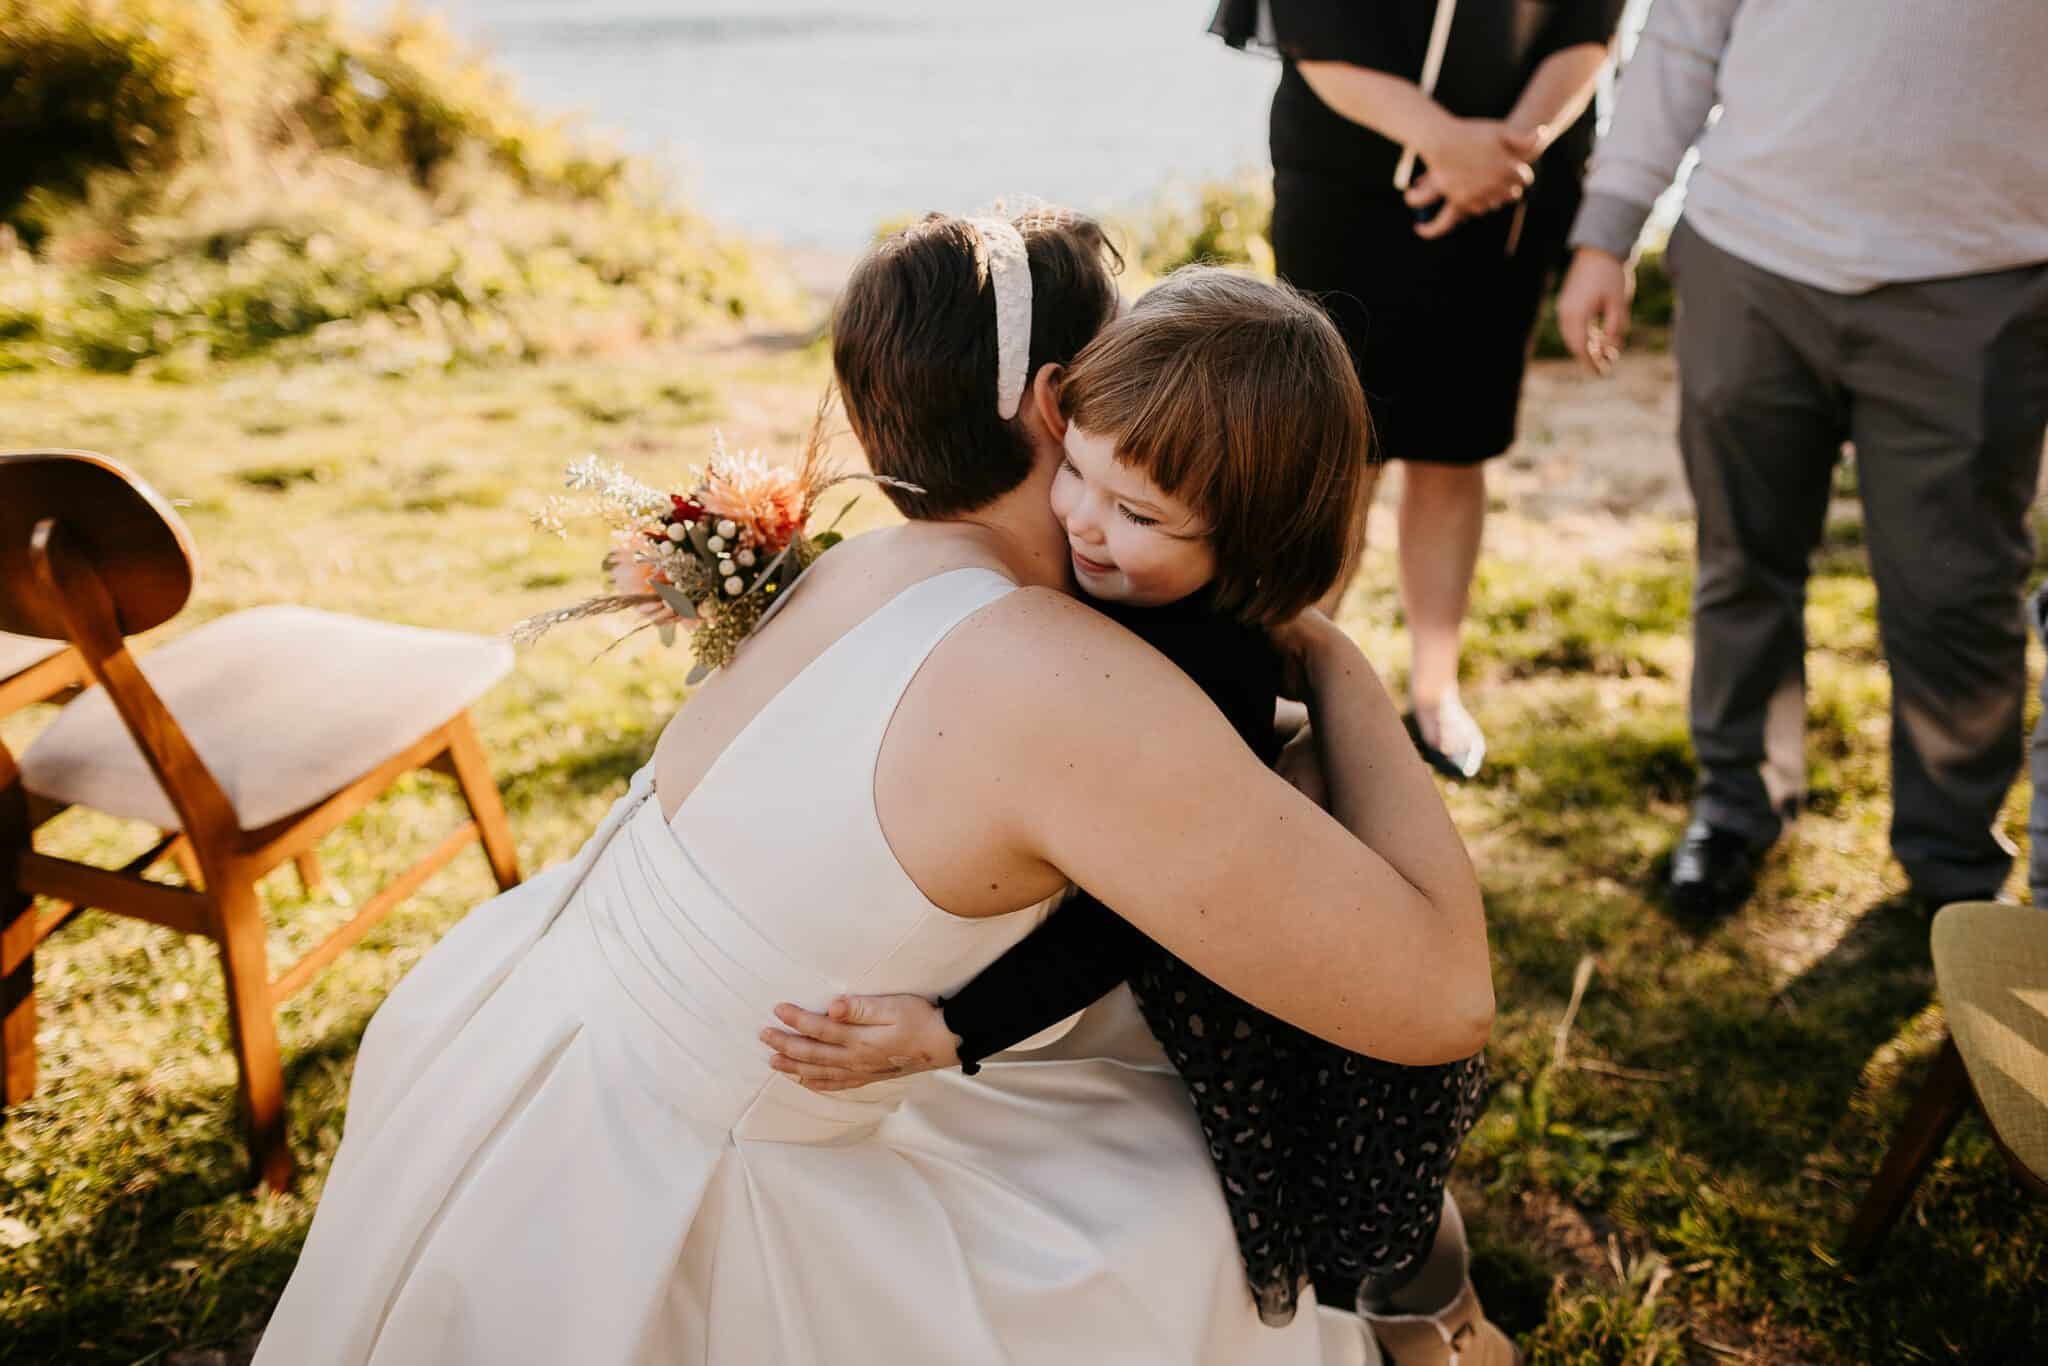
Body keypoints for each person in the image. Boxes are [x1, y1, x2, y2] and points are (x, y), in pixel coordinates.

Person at [251, 210, 1490, 1365]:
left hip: (524, 1060)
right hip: (684, 1193)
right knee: (1170, 1215)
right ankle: (1420, 1305)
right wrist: (1329, 652)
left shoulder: (867, 567)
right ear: (1064, 406)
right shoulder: (1055, 675)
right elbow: (1439, 1001)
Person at [765, 267, 1513, 1365]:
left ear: (1247, 542)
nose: (1081, 521)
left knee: (1334, 1211)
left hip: (1274, 1010)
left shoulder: (1202, 665)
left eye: (1138, 514)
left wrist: (955, 1030)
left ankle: (1430, 1324)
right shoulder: (1125, 584)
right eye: (1074, 469)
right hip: (1222, 940)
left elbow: (1120, 919)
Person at [1555, 0, 2048, 915]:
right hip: (1753, 258)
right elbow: (1682, 39)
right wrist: (1607, 230)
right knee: (1742, 560)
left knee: (1957, 591)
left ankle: (1953, 870)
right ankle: (1738, 805)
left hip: (1985, 277)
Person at [1213, 0, 1623, 778]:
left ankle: (1435, 690)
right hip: (1346, 185)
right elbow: (1314, 24)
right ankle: (1277, 683)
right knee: (1333, 449)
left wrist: (1506, 153)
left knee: (1455, 446)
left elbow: (1591, 24)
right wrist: (1443, 142)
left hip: (1508, 188)